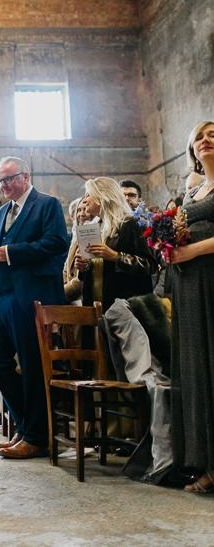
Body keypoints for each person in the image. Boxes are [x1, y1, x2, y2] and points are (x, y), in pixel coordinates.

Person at [0, 156, 69, 460]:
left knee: (30, 364)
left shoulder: (47, 204)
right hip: (1, 294)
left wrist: (11, 252)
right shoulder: (2, 212)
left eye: (7, 179)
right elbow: (1, 253)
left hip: (32, 294)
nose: (2, 186)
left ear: (25, 176)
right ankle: (27, 424)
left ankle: (37, 437)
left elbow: (56, 243)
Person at [169, 120, 214, 494]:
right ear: (192, 148)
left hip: (211, 278)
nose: (207, 139)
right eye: (200, 136)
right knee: (196, 367)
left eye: (213, 134)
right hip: (188, 285)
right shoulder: (194, 188)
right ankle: (203, 459)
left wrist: (190, 250)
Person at [73, 177, 157, 311]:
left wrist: (115, 256)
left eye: (88, 195)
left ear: (102, 197)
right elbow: (96, 271)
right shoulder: (93, 227)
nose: (84, 200)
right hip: (97, 303)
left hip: (125, 306)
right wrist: (84, 267)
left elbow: (149, 265)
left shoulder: (130, 224)